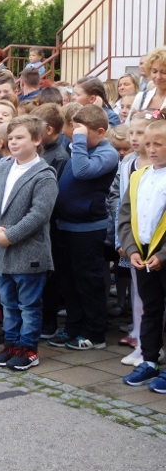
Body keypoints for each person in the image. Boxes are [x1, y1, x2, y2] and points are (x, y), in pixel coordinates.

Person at [0, 115, 59, 370]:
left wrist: (11, 235)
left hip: (29, 253)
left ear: (36, 140)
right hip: (1, 251)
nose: (13, 142)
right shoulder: (4, 167)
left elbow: (39, 214)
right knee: (8, 303)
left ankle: (28, 349)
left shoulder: (44, 175)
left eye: (20, 137)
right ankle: (11, 344)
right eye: (11, 138)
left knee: (29, 305)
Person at [49, 105, 118, 350]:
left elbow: (81, 171)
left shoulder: (108, 153)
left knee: (88, 283)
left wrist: (77, 141)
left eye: (81, 132)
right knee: (69, 282)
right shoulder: (79, 148)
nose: (75, 136)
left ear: (100, 132)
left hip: (88, 229)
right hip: (65, 226)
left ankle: (95, 333)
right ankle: (73, 327)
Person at [119, 120, 166, 392]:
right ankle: (149, 360)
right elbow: (125, 216)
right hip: (144, 255)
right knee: (151, 309)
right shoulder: (139, 176)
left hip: (163, 255)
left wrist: (163, 254)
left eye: (158, 143)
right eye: (148, 144)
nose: (151, 149)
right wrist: (132, 249)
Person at [130, 47, 166, 119]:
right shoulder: (141, 97)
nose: (158, 77)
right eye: (154, 71)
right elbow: (129, 124)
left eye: (164, 72)